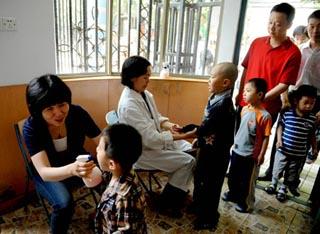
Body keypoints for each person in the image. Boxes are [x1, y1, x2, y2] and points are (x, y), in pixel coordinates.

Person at [117, 55, 196, 217]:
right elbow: (150, 139)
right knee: (188, 161)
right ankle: (167, 202)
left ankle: (177, 190)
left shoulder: (144, 94)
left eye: (149, 76)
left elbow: (156, 117)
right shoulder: (128, 105)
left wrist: (171, 126)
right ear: (133, 77)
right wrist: (184, 135)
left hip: (154, 140)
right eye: (146, 77)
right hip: (142, 152)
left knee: (190, 150)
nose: (148, 80)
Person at [23, 74, 101, 234]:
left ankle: (102, 215)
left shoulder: (77, 113)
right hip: (49, 171)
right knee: (64, 203)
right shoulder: (32, 127)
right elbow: (44, 172)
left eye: (62, 104)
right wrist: (73, 169)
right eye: (49, 109)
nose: (58, 113)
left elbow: (101, 141)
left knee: (109, 182)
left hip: (76, 161)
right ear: (38, 110)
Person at [235, 3, 301, 181]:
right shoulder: (257, 42)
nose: (272, 27)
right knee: (239, 145)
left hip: (265, 110)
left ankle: (246, 188)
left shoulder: (293, 52)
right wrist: (240, 91)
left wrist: (260, 99)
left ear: (289, 24)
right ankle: (235, 184)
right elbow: (245, 70)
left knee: (254, 150)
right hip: (244, 105)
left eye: (278, 24)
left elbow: (284, 84)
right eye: (270, 22)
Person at [191, 62, 237, 230]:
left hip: (217, 155)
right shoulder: (216, 97)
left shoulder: (224, 105)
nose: (208, 80)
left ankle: (208, 217)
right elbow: (207, 125)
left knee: (211, 186)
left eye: (211, 77)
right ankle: (198, 205)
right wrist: (200, 140)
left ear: (225, 83)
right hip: (207, 149)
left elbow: (205, 128)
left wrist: (189, 133)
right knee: (200, 178)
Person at [223, 78, 272, 213]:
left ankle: (245, 202)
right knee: (233, 176)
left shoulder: (264, 116)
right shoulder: (244, 109)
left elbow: (266, 137)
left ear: (260, 95)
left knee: (247, 182)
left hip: (250, 156)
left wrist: (261, 154)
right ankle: (233, 193)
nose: (244, 93)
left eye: (248, 91)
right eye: (244, 90)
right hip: (237, 151)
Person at [264, 85, 317, 202]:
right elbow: (280, 127)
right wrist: (279, 140)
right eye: (306, 102)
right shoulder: (288, 113)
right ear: (296, 101)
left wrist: (314, 148)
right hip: (283, 150)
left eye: (312, 103)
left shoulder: (312, 119)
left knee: (291, 173)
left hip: (298, 154)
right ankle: (273, 184)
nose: (309, 106)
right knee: (277, 169)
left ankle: (283, 189)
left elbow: (312, 135)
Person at [95, 124, 147, 234]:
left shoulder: (124, 199)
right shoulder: (120, 171)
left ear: (111, 164)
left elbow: (125, 231)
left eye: (99, 149)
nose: (96, 149)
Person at [294, 10, 320, 215]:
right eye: (312, 26)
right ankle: (272, 173)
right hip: (295, 96)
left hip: (315, 101)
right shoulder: (300, 49)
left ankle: (294, 179)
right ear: (307, 26)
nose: (315, 30)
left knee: (304, 138)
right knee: (285, 133)